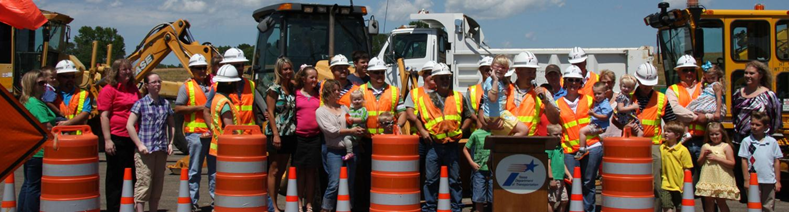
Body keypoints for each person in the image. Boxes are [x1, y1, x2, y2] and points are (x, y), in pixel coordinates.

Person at [414, 63, 474, 212]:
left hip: (452, 144)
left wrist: (461, 130)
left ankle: (456, 207)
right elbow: (417, 119)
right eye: (442, 78)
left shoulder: (458, 97)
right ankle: (430, 207)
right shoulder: (424, 99)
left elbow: (468, 116)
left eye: (447, 77)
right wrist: (423, 131)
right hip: (433, 145)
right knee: (431, 179)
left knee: (455, 179)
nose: (445, 80)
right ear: (435, 80)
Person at [731, 60, 782, 203]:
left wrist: (766, 135)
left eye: (751, 73)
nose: (748, 76)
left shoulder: (769, 95)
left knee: (760, 174)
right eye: (746, 73)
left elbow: (775, 117)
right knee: (743, 176)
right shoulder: (738, 93)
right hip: (740, 140)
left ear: (760, 75)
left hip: (761, 142)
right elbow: (734, 114)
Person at [355, 56, 402, 209]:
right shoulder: (360, 91)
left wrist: (398, 125)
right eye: (376, 73)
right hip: (366, 141)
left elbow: (402, 113)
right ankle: (366, 206)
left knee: (386, 175)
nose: (379, 75)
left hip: (387, 142)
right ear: (369, 74)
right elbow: (353, 113)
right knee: (366, 176)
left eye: (382, 72)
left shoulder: (394, 91)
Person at [630, 63, 677, 212]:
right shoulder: (628, 98)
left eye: (650, 85)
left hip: (654, 145)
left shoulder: (661, 99)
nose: (647, 87)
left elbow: (671, 122)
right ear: (638, 81)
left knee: (656, 184)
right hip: (632, 145)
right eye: (644, 84)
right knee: (634, 182)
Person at [555, 65, 602, 212]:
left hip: (591, 147)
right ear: (565, 81)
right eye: (570, 80)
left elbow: (602, 121)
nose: (573, 83)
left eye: (577, 80)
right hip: (570, 149)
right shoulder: (558, 104)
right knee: (572, 183)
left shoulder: (589, 100)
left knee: (588, 183)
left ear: (581, 82)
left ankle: (589, 210)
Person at [126, 73, 175, 212]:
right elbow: (130, 125)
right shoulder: (140, 104)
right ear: (147, 85)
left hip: (161, 150)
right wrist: (139, 144)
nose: (157, 84)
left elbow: (171, 124)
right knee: (144, 183)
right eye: (154, 82)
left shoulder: (165, 104)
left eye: (159, 81)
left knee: (157, 184)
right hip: (145, 151)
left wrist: (170, 143)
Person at [98, 59, 141, 212]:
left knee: (132, 175)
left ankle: (129, 206)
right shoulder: (109, 90)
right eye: (124, 70)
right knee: (115, 177)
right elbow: (104, 116)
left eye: (129, 69)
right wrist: (107, 140)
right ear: (116, 72)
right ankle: (114, 208)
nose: (128, 72)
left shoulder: (134, 89)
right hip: (117, 136)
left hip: (133, 137)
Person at [316, 80, 365, 212]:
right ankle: (326, 208)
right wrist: (351, 131)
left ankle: (348, 207)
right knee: (334, 183)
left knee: (350, 183)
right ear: (327, 93)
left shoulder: (344, 108)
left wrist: (358, 130)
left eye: (339, 89)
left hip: (351, 149)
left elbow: (351, 122)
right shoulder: (321, 112)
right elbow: (331, 132)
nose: (338, 92)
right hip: (334, 151)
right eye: (335, 90)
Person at [175, 54, 215, 210]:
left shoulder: (212, 85)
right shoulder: (186, 87)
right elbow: (178, 108)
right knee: (194, 170)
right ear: (192, 69)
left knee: (214, 171)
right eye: (199, 68)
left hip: (211, 133)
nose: (202, 71)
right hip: (195, 134)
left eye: (204, 67)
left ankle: (215, 201)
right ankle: (191, 202)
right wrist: (200, 108)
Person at [665, 55, 712, 188]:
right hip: (682, 141)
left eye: (691, 69)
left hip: (703, 139)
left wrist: (707, 117)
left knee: (706, 180)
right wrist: (697, 118)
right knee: (682, 179)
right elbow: (674, 109)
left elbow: (716, 108)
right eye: (685, 70)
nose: (689, 73)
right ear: (678, 72)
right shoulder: (672, 89)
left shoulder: (705, 87)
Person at [17, 70, 56, 212]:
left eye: (45, 83)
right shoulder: (35, 104)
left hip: (32, 151)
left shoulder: (30, 101)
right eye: (40, 83)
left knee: (28, 185)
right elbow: (48, 127)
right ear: (31, 85)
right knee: (35, 188)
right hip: (39, 152)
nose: (44, 86)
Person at [263, 57, 296, 212]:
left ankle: (275, 201)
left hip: (290, 132)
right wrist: (275, 134)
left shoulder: (293, 88)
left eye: (289, 68)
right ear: (279, 71)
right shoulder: (273, 89)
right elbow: (270, 112)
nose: (288, 72)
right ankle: (273, 205)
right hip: (277, 133)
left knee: (282, 169)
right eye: (285, 69)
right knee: (274, 170)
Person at [505, 51, 560, 136]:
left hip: (531, 144)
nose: (532, 76)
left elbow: (555, 119)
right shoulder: (506, 91)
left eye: (534, 72)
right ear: (518, 70)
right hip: (507, 143)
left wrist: (546, 101)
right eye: (529, 72)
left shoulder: (543, 92)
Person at [739, 111, 783, 212]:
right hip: (753, 181)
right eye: (752, 124)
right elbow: (744, 160)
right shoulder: (747, 141)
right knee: (754, 206)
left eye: (758, 125)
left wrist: (778, 181)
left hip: (769, 180)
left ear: (765, 127)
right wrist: (746, 180)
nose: (754, 127)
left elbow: (776, 161)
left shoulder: (772, 142)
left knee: (768, 206)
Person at [293, 65, 321, 212]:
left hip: (315, 138)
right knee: (300, 172)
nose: (315, 80)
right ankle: (298, 202)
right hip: (299, 138)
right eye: (311, 77)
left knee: (311, 172)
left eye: (316, 77)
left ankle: (308, 203)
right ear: (304, 79)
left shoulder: (319, 95)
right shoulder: (296, 94)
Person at [479, 55, 528, 136]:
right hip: (497, 114)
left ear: (507, 70)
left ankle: (506, 145)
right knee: (524, 130)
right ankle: (509, 146)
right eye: (497, 66)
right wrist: (495, 80)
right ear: (492, 67)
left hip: (497, 114)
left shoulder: (501, 82)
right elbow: (492, 98)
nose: (500, 69)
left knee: (503, 137)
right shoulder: (491, 81)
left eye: (504, 67)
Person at [695, 122, 739, 212]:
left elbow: (732, 163)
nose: (714, 136)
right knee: (708, 201)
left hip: (721, 178)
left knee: (721, 202)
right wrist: (704, 155)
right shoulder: (705, 146)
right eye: (712, 134)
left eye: (717, 134)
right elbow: (699, 163)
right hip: (708, 177)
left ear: (722, 134)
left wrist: (717, 158)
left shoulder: (726, 146)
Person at [659, 122, 694, 212]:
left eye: (669, 131)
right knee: (666, 207)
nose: (665, 133)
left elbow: (687, 168)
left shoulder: (683, 150)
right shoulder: (662, 147)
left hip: (680, 186)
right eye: (665, 131)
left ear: (677, 135)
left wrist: (685, 184)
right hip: (666, 184)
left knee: (680, 207)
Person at [576, 82, 612, 160]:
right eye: (595, 94)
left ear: (605, 93)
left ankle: (582, 149)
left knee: (582, 131)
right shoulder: (598, 102)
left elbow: (606, 116)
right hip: (596, 124)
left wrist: (593, 114)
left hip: (599, 126)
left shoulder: (605, 104)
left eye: (599, 93)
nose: (597, 96)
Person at [53, 60, 92, 126]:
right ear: (58, 77)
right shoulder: (51, 94)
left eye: (72, 76)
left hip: (77, 134)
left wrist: (67, 123)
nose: (70, 79)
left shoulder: (82, 94)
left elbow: (85, 113)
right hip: (57, 134)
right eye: (66, 77)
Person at [462, 128, 493, 212]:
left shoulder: (496, 133)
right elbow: (465, 149)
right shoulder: (476, 134)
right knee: (479, 195)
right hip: (479, 169)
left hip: (493, 170)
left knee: (493, 196)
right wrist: (471, 163)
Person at [546, 124, 571, 212]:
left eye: (560, 134)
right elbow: (547, 163)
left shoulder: (560, 148)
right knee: (551, 201)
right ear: (548, 135)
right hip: (554, 178)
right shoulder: (549, 148)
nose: (559, 136)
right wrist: (551, 179)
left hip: (561, 178)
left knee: (564, 200)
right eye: (556, 134)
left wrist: (569, 175)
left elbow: (562, 163)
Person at [466, 56, 492, 132]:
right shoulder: (472, 90)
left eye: (491, 70)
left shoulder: (500, 89)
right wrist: (480, 121)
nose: (489, 72)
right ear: (481, 70)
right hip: (477, 132)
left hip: (495, 131)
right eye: (486, 70)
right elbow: (469, 112)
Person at [343, 90, 367, 160]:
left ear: (363, 100)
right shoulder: (351, 110)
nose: (357, 101)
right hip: (352, 129)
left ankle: (350, 152)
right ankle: (359, 146)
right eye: (355, 99)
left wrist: (352, 120)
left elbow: (363, 118)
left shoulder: (363, 109)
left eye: (359, 99)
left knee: (346, 138)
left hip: (359, 130)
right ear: (351, 101)